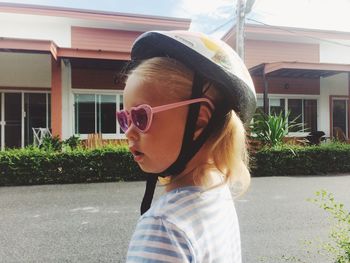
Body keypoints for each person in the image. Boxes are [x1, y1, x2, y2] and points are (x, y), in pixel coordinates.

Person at [117, 30, 256, 263]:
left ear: (199, 120)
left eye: (141, 117)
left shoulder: (164, 228)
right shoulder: (217, 192)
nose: (129, 132)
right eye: (124, 119)